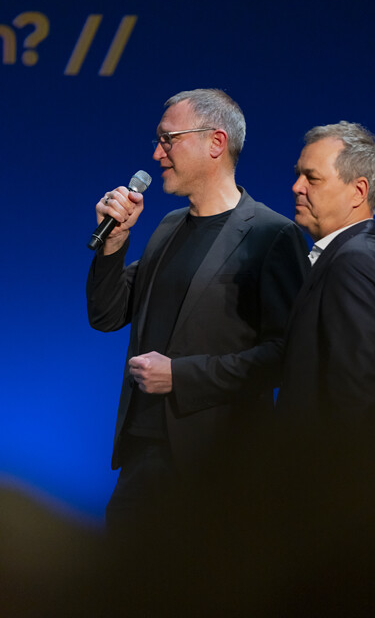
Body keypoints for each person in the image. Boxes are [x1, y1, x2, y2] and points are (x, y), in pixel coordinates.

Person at [86, 88, 308, 525]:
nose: (157, 154)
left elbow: (286, 356)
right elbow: (107, 315)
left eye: (168, 139)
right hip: (142, 458)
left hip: (218, 467)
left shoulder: (271, 234)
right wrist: (113, 245)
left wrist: (181, 376)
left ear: (216, 142)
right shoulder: (169, 227)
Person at [276, 121, 375, 441]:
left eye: (312, 178)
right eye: (298, 174)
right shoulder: (352, 256)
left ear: (358, 191)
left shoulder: (354, 263)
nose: (296, 186)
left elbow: (356, 403)